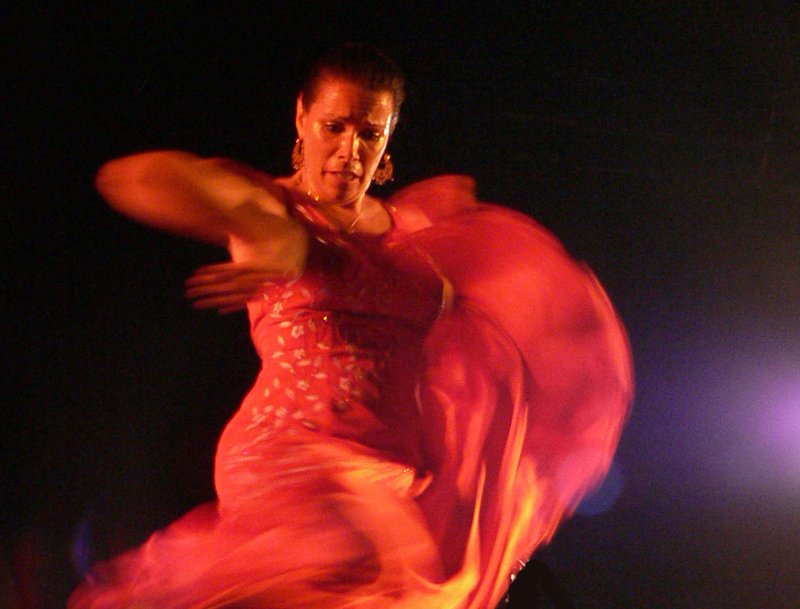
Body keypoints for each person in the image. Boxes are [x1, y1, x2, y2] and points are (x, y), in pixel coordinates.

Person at [69, 43, 633, 609]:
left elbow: (508, 317)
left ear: (388, 137)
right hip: (293, 457)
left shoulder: (415, 236)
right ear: (301, 119)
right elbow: (134, 177)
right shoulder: (272, 208)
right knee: (397, 566)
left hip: (390, 472)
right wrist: (273, 238)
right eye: (334, 127)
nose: (349, 150)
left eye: (370, 133)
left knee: (411, 572)